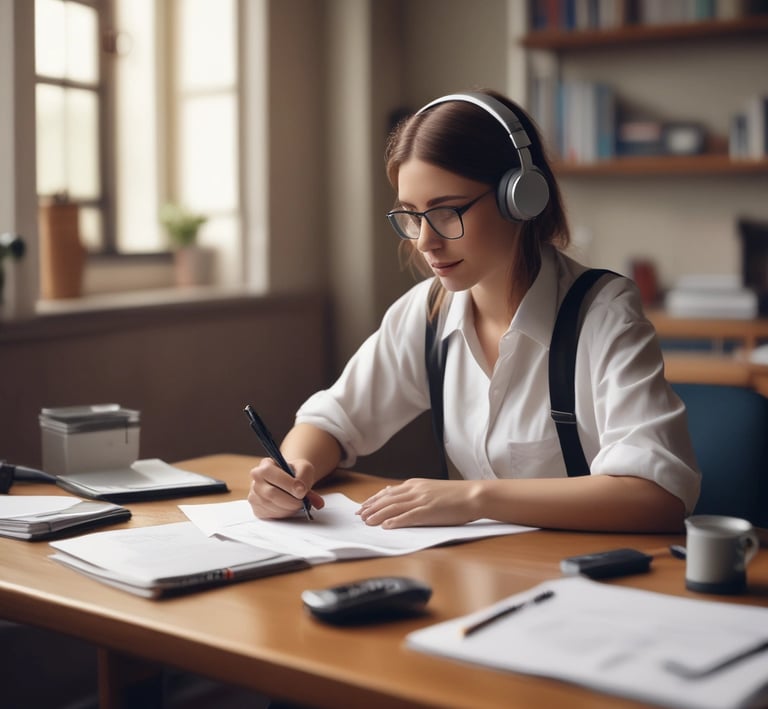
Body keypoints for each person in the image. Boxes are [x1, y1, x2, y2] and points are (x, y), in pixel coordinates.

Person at [248, 88, 700, 533]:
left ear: (520, 198)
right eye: (411, 214)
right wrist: (295, 469)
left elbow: (657, 496)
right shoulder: (427, 313)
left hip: (592, 577)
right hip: (489, 574)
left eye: (446, 211)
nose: (425, 241)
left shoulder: (604, 315)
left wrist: (474, 497)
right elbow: (332, 420)